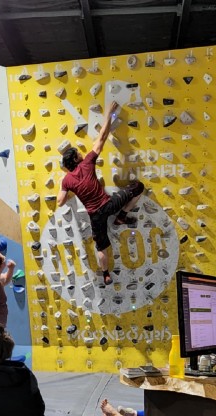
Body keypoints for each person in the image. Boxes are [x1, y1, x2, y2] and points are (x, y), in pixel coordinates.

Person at [56, 100, 146, 285]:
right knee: (137, 187)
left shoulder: (67, 180)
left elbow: (60, 202)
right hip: (109, 204)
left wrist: (62, 184)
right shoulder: (87, 162)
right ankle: (122, 216)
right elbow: (102, 137)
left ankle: (105, 274)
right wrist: (107, 115)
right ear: (76, 158)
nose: (81, 153)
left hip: (95, 215)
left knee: (101, 246)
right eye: (78, 153)